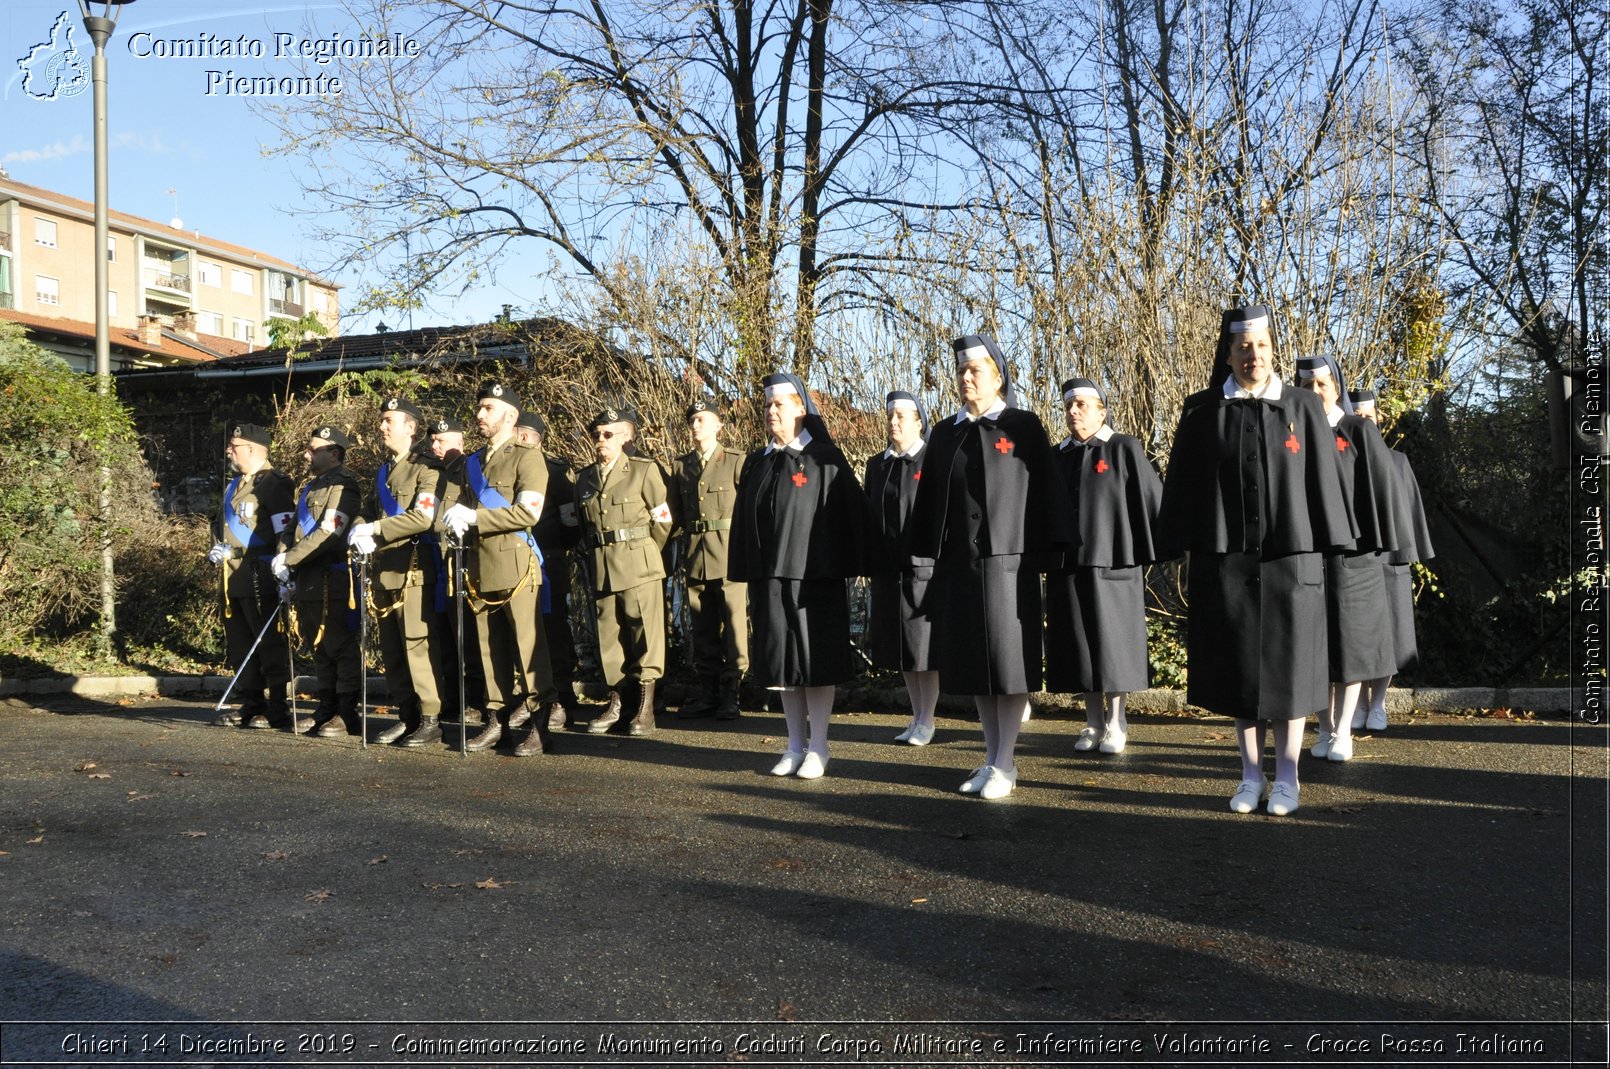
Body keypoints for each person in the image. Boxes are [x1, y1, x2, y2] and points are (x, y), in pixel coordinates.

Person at [1157, 306, 1355, 817]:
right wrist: (1177, 547)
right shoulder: (1202, 411)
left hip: (1292, 564)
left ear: (1274, 351)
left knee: (1289, 675)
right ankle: (1250, 776)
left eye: (1262, 346)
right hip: (1227, 567)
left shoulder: (1302, 407)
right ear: (1228, 354)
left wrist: (1332, 547)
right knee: (1241, 675)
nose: (1253, 356)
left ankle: (1287, 778)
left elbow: (1324, 483)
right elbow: (1184, 484)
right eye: (1243, 348)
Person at [908, 335, 1072, 800]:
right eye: (961, 371)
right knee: (976, 663)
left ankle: (1006, 762)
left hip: (1008, 561)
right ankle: (990, 755)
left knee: (1008, 662)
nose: (966, 378)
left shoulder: (1023, 426)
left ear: (998, 376)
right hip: (962, 563)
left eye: (976, 370)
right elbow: (931, 500)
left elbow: (1047, 492)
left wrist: (1049, 551)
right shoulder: (945, 432)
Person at [729, 373, 869, 778]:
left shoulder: (825, 458)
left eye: (779, 405)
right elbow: (745, 522)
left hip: (815, 580)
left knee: (814, 662)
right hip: (770, 579)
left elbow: (851, 517)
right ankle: (793, 744)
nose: (771, 412)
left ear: (800, 409)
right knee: (784, 666)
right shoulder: (759, 460)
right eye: (767, 406)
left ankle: (820, 746)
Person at [1044, 377, 1166, 755]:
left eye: (1082, 404)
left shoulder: (1123, 448)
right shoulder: (1056, 456)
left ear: (1102, 409)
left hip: (1114, 564)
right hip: (1069, 565)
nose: (1074, 411)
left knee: (1113, 646)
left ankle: (1117, 722)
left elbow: (1153, 500)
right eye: (1068, 406)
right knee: (1080, 647)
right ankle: (1093, 723)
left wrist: (1141, 548)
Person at [1296, 356, 1402, 764]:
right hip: (1307, 556)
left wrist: (1377, 547)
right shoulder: (1291, 434)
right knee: (1314, 647)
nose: (1315, 393)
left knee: (1352, 646)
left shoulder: (1357, 429)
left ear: (1337, 387)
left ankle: (1343, 732)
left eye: (1322, 384)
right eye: (1306, 386)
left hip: (1354, 557)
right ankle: (1323, 728)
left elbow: (1380, 491)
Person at [439, 382, 552, 755]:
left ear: (510, 415)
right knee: (490, 651)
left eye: (488, 408)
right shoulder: (471, 463)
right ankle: (496, 721)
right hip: (478, 566)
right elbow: (450, 510)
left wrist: (475, 516)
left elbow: (528, 512)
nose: (480, 414)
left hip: (516, 567)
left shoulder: (527, 456)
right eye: (480, 407)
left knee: (527, 648)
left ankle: (539, 723)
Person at [346, 397, 448, 747]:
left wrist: (374, 529)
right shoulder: (383, 470)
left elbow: (422, 517)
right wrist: (358, 528)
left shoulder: (427, 468)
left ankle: (431, 718)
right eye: (382, 420)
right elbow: (368, 510)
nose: (382, 426)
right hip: (385, 571)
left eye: (390, 420)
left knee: (417, 647)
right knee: (392, 649)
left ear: (411, 427)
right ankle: (407, 715)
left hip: (414, 570)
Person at [573, 407, 674, 736]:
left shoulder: (643, 471)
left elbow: (663, 520)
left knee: (644, 632)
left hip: (638, 564)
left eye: (608, 434)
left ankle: (645, 709)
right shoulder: (585, 477)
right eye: (597, 435)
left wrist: (643, 553)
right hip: (602, 565)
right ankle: (619, 701)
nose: (600, 440)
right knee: (610, 637)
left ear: (625, 438)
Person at [1351, 388, 1436, 731]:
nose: (1363, 422)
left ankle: (1379, 704)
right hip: (1353, 563)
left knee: (1391, 634)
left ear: (1379, 418)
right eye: (1356, 417)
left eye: (1368, 416)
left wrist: (1412, 553)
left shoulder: (1399, 461)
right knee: (1353, 637)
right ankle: (1356, 704)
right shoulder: (1335, 461)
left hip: (1391, 562)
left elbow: (1411, 511)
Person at [273, 425, 364, 738]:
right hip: (309, 578)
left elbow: (328, 533)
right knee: (319, 647)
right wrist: (283, 559)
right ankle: (325, 706)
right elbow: (292, 529)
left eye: (314, 449)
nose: (306, 454)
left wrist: (291, 558)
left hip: (333, 578)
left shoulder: (344, 486)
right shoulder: (311, 488)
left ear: (334, 453)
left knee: (340, 645)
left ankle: (345, 711)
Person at [208, 421, 296, 729]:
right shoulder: (234, 484)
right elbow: (221, 525)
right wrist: (215, 548)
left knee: (268, 641)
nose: (229, 451)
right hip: (233, 577)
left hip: (261, 574)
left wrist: (284, 563)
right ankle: (251, 702)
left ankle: (277, 705)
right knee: (240, 641)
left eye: (234, 446)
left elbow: (284, 529)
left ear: (251, 449)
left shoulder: (274, 482)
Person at [863, 390, 939, 745]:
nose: (893, 422)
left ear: (918, 422)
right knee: (903, 649)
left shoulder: (931, 459)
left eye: (901, 416)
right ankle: (916, 715)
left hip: (923, 569)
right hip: (889, 570)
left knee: (923, 647)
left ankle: (928, 718)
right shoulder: (877, 464)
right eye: (890, 415)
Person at [668, 398, 749, 721]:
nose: (696, 425)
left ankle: (732, 692)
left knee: (733, 626)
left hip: (729, 556)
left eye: (703, 419)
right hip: (695, 556)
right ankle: (708, 692)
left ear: (718, 425)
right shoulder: (680, 466)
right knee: (702, 628)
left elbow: (747, 512)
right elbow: (672, 516)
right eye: (693, 421)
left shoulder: (735, 461)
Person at [513, 409, 585, 731]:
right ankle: (535, 698)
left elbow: (571, 525)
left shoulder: (555, 474)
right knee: (524, 635)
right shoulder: (508, 469)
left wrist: (552, 551)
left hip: (547, 565)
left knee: (553, 634)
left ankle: (561, 699)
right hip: (515, 566)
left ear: (525, 437)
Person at [425, 415, 486, 722]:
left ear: (460, 443)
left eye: (443, 440)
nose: (436, 445)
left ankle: (476, 699)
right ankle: (452, 696)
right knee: (443, 637)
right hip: (433, 563)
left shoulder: (470, 470)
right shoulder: (427, 473)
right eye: (433, 440)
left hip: (461, 563)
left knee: (468, 636)